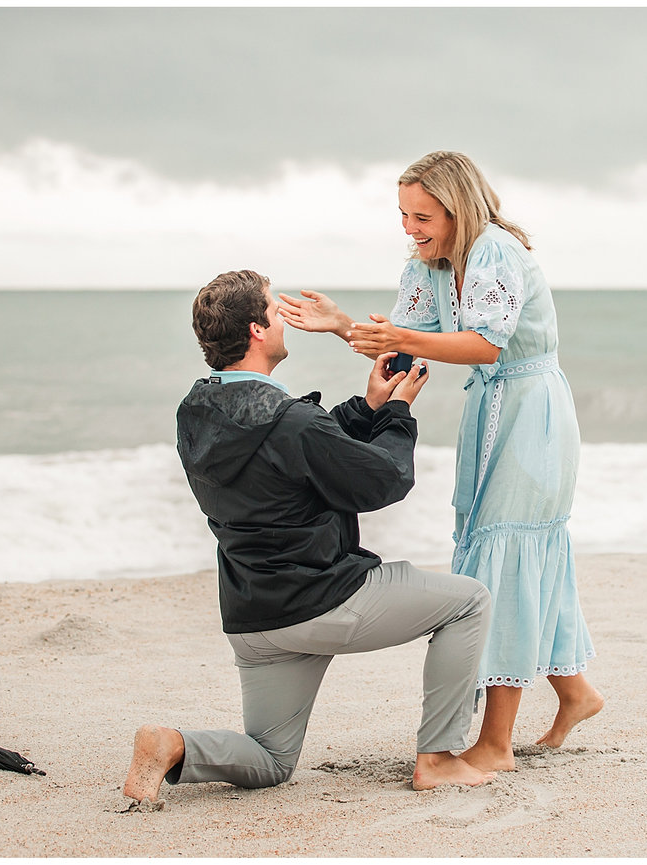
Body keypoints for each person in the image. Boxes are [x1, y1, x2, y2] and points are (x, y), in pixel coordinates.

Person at [278, 151, 603, 772]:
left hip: (532, 413)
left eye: (422, 215)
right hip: (490, 410)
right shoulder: (429, 266)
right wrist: (345, 326)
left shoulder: (495, 252)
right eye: (403, 214)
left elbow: (484, 343)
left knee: (506, 556)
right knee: (503, 547)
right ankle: (576, 692)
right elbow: (405, 349)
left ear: (460, 208)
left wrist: (397, 339)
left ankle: (496, 743)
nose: (410, 227)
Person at [122, 269, 494, 806]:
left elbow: (295, 453)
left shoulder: (196, 412)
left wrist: (367, 409)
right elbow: (382, 479)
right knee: (469, 602)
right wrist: (397, 413)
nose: (284, 320)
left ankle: (174, 745)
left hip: (255, 618)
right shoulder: (291, 422)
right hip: (323, 601)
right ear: (256, 330)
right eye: (276, 311)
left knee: (272, 760)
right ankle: (438, 759)